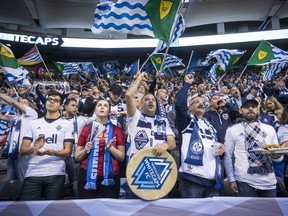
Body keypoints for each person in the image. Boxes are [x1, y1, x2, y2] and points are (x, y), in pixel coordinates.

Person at [125, 71, 176, 198]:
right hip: (138, 167)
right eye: (146, 99)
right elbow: (128, 95)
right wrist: (139, 78)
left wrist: (165, 145)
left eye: (153, 99)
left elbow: (172, 143)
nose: (150, 101)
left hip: (158, 168)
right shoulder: (135, 117)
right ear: (140, 105)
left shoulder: (163, 121)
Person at [175, 74, 225, 198]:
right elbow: (179, 104)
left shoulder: (211, 126)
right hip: (192, 180)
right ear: (189, 108)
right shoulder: (186, 122)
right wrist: (187, 84)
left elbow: (219, 147)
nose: (200, 104)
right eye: (195, 102)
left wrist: (222, 148)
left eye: (202, 102)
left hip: (213, 180)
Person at [19, 91, 74, 200]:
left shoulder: (67, 124)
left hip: (56, 172)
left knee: (52, 210)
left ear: (61, 105)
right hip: (33, 172)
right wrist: (34, 149)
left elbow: (68, 151)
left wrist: (51, 152)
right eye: (49, 99)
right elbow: (22, 150)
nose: (52, 102)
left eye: (56, 100)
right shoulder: (33, 123)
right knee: (26, 208)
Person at [224, 98, 283, 197]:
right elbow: (227, 155)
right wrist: (231, 178)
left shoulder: (270, 129)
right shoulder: (232, 129)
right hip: (244, 181)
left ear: (258, 109)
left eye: (254, 107)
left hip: (269, 181)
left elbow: (278, 157)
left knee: (270, 213)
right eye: (246, 107)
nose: (250, 109)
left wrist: (277, 155)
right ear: (240, 110)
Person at [75, 99, 125, 199]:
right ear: (95, 110)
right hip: (87, 176)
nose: (102, 107)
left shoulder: (117, 130)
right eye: (99, 105)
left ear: (109, 111)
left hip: (110, 177)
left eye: (105, 105)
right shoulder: (86, 129)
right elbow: (77, 157)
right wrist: (85, 149)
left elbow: (121, 157)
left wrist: (111, 148)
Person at [0, 92, 38, 181]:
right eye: (20, 102)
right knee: (10, 180)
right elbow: (1, 117)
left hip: (24, 152)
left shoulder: (32, 113)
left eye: (24, 102)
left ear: (30, 105)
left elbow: (13, 103)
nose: (21, 104)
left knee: (23, 179)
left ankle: (26, 195)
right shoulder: (16, 117)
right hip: (12, 152)